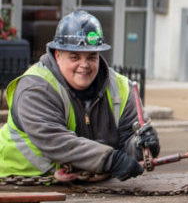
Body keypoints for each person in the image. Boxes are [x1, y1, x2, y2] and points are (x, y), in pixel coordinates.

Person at [0, 10, 159, 181]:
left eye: (92, 57)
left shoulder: (121, 88)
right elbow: (55, 141)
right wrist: (110, 160)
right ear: (58, 55)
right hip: (18, 183)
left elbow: (126, 143)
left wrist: (141, 146)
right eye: (75, 57)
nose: (84, 65)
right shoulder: (35, 88)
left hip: (81, 186)